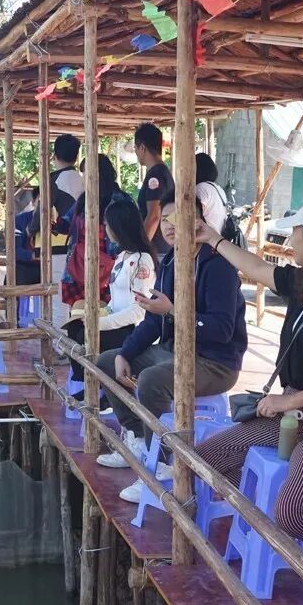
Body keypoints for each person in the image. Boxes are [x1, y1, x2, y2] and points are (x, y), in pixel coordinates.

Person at [191, 195, 303, 545]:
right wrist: (213, 238)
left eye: (296, 233)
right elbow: (257, 268)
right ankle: (263, 523)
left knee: (292, 514)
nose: (291, 241)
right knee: (204, 458)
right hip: (292, 414)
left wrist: (288, 401)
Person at [96, 192, 247, 503]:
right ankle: (138, 439)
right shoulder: (170, 262)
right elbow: (154, 320)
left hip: (216, 362)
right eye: (164, 218)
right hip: (174, 350)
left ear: (198, 221)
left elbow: (222, 331)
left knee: (151, 380)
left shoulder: (219, 266)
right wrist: (125, 352)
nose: (168, 225)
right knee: (107, 362)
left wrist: (174, 312)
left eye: (176, 217)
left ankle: (163, 466)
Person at [64, 198, 156, 404]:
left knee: (85, 335)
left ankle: (105, 391)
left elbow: (139, 311)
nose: (105, 230)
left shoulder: (142, 261)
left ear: (119, 226)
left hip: (132, 329)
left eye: (107, 225)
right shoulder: (122, 257)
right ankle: (92, 384)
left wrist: (102, 323)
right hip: (116, 321)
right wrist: (99, 314)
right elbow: (115, 301)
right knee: (74, 328)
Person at [56, 154, 126, 308]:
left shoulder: (120, 200)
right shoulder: (83, 200)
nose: (83, 179)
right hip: (79, 267)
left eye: (86, 173)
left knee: (107, 313)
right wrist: (53, 219)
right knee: (77, 313)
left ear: (100, 174)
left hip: (109, 268)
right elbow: (66, 224)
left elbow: (127, 234)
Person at [28, 133, 83, 329]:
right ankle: (75, 339)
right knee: (75, 298)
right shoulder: (84, 180)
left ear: (55, 156)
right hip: (79, 247)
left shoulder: (53, 181)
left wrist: (30, 230)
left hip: (57, 247)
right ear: (76, 156)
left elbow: (41, 214)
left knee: (57, 298)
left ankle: (59, 342)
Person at [134, 123, 175, 257]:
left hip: (157, 248)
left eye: (135, 148)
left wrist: (140, 251)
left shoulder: (155, 175)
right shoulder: (163, 171)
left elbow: (154, 216)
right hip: (163, 246)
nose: (136, 153)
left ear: (142, 147)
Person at [194, 152, 228, 233]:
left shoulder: (201, 188)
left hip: (205, 237)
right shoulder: (217, 188)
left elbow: (192, 216)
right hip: (217, 236)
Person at [13, 188, 41, 286]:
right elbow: (14, 250)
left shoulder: (58, 222)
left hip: (50, 268)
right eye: (40, 201)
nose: (45, 205)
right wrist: (35, 256)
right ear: (33, 202)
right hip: (25, 268)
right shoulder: (19, 221)